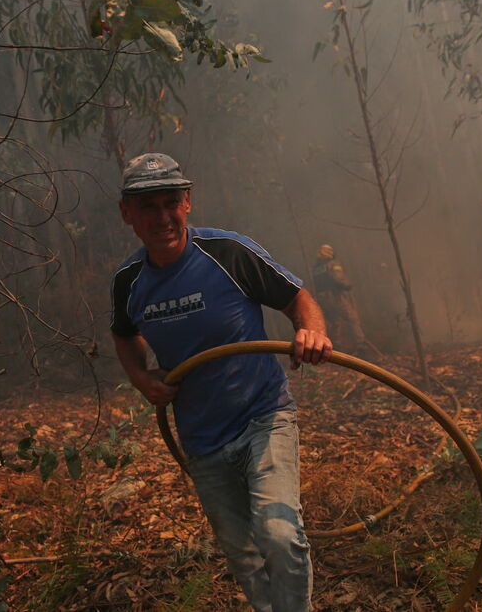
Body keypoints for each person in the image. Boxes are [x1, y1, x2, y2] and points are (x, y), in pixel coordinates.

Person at [110, 153, 331, 612]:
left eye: (171, 202)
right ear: (126, 213)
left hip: (262, 416)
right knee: (243, 555)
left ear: (187, 202)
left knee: (278, 534)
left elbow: (297, 299)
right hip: (202, 438)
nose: (163, 217)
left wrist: (312, 331)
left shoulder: (228, 252)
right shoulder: (129, 281)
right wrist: (139, 378)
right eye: (148, 206)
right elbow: (124, 334)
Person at [312, 244, 370, 356]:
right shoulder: (332, 264)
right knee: (352, 318)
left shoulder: (316, 268)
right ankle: (361, 345)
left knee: (334, 322)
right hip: (335, 296)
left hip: (322, 298)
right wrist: (348, 285)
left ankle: (335, 347)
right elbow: (338, 279)